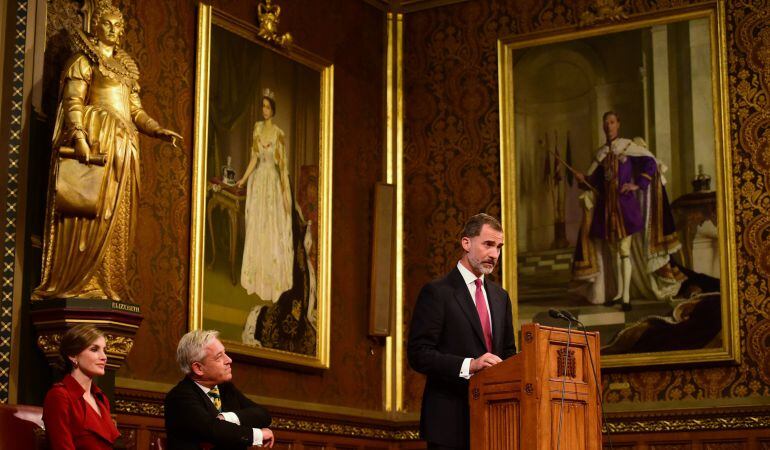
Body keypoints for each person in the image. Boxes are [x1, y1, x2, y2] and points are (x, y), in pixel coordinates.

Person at [33, 1, 182, 302]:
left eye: (119, 27)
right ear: (96, 25)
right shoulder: (83, 60)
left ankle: (107, 280)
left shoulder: (127, 69)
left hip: (125, 150)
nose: (114, 31)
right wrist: (78, 137)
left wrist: (156, 129)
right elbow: (73, 100)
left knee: (116, 216)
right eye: (108, 25)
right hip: (97, 138)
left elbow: (135, 111)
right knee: (90, 210)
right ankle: (78, 281)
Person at [407, 213, 516, 450]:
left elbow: (508, 353)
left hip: (495, 423)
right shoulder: (438, 292)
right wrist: (470, 365)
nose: (495, 254)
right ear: (466, 243)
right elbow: (419, 354)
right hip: (449, 422)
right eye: (488, 244)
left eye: (499, 247)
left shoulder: (500, 298)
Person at [573, 111, 682, 310]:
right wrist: (583, 179)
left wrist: (637, 184)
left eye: (612, 122)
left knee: (624, 251)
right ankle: (617, 293)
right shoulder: (601, 154)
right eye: (605, 123)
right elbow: (595, 182)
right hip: (606, 209)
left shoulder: (628, 147)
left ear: (618, 124)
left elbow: (650, 162)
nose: (608, 126)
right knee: (614, 252)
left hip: (625, 208)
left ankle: (626, 298)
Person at [164, 330, 274, 449]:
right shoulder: (179, 397)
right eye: (219, 357)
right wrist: (258, 435)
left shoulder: (225, 388)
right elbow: (213, 430)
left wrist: (226, 417)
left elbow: (263, 415)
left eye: (225, 353)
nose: (229, 360)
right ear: (198, 368)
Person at [236, 89, 294, 302]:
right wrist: (243, 178)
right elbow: (254, 158)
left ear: (273, 109)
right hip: (259, 182)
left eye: (268, 107)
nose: (265, 110)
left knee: (271, 227)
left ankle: (271, 282)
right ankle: (255, 278)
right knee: (257, 226)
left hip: (272, 184)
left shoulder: (279, 134)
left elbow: (282, 167)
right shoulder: (257, 129)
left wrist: (285, 194)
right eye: (263, 106)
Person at [43, 324, 120, 450]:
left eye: (104, 350)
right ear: (73, 356)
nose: (104, 357)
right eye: (94, 349)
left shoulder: (100, 398)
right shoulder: (59, 396)